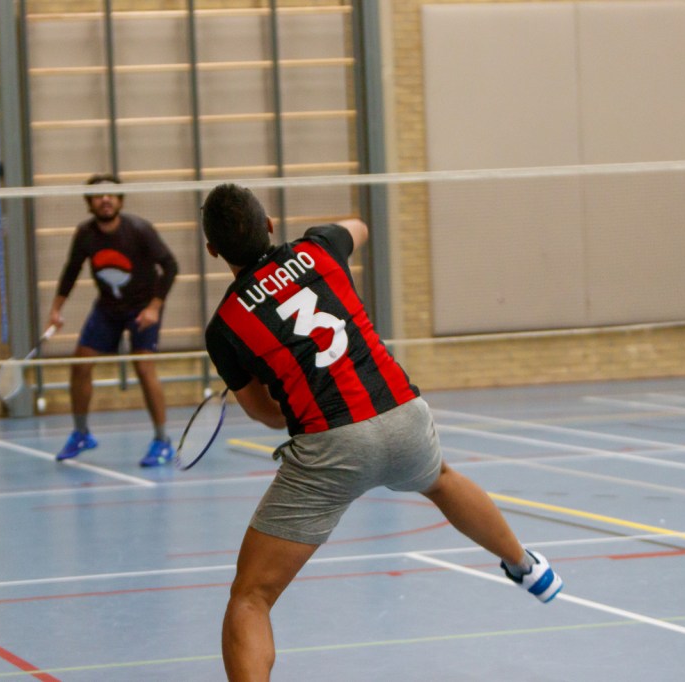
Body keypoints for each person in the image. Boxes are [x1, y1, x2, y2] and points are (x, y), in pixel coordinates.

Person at [200, 183, 563, 681]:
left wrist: (293, 396)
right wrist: (335, 235)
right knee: (440, 480)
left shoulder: (225, 327)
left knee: (251, 597)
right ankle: (526, 566)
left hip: (331, 446)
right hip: (402, 413)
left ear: (213, 250)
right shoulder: (321, 245)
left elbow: (266, 415)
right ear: (268, 225)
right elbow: (359, 227)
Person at [50, 173, 179, 466]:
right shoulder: (85, 234)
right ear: (90, 203)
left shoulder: (139, 230)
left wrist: (154, 307)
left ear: (120, 200)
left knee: (144, 367)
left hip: (143, 307)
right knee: (80, 364)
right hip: (108, 307)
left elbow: (170, 266)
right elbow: (71, 270)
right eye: (98, 195)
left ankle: (163, 441)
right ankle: (81, 433)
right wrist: (56, 310)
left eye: (111, 195)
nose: (105, 200)